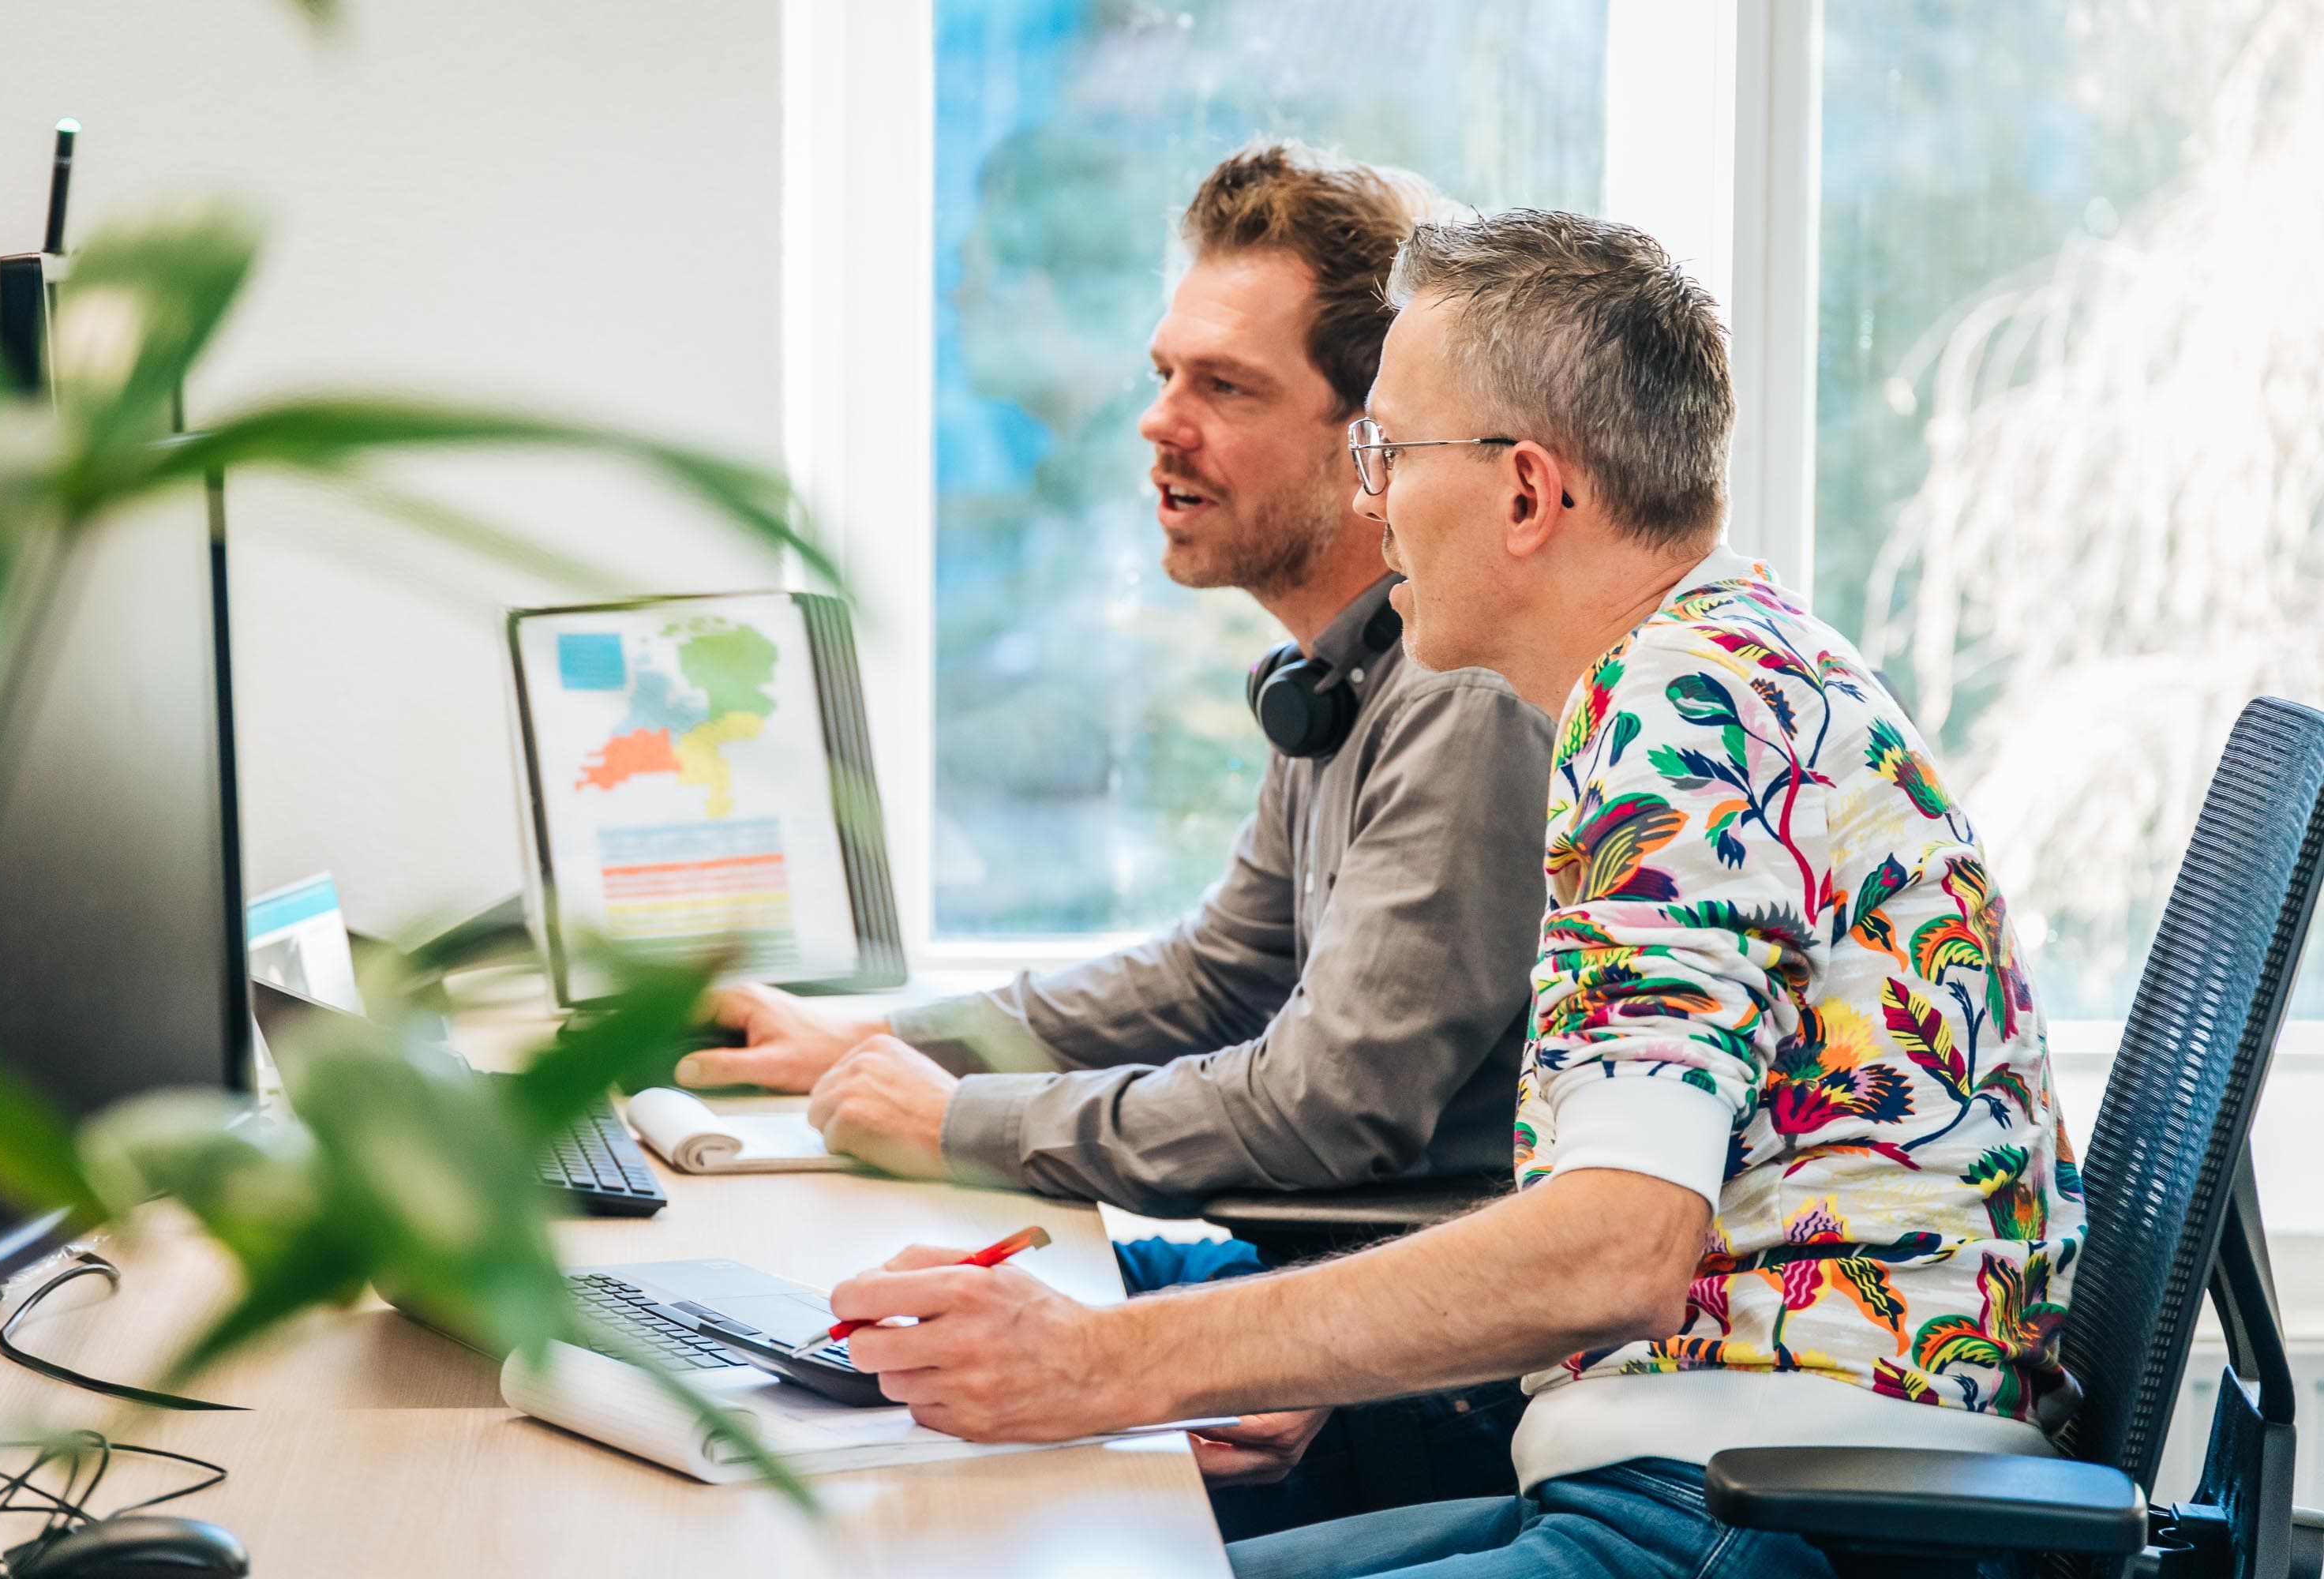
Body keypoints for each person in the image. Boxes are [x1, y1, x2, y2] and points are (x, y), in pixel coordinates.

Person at [819, 208, 2087, 1579]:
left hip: (1769, 1501)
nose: (1367, 503)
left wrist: (1109, 1366)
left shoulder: (1686, 712)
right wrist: (1313, 1351)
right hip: (1695, 1457)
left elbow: (1611, 1253)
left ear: (1528, 492)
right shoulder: (1720, 661)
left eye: (1387, 454)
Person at [676, 144, 1557, 1530]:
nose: (1160, 423)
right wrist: (884, 1047)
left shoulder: (1461, 700)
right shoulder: (1341, 673)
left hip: (1419, 1378)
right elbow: (1218, 975)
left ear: (1368, 437)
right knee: (852, 1338)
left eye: (1225, 387)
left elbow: (1333, 1102)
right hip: (1319, 1288)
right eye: (1164, 374)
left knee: (904, 1506)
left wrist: (959, 1120)